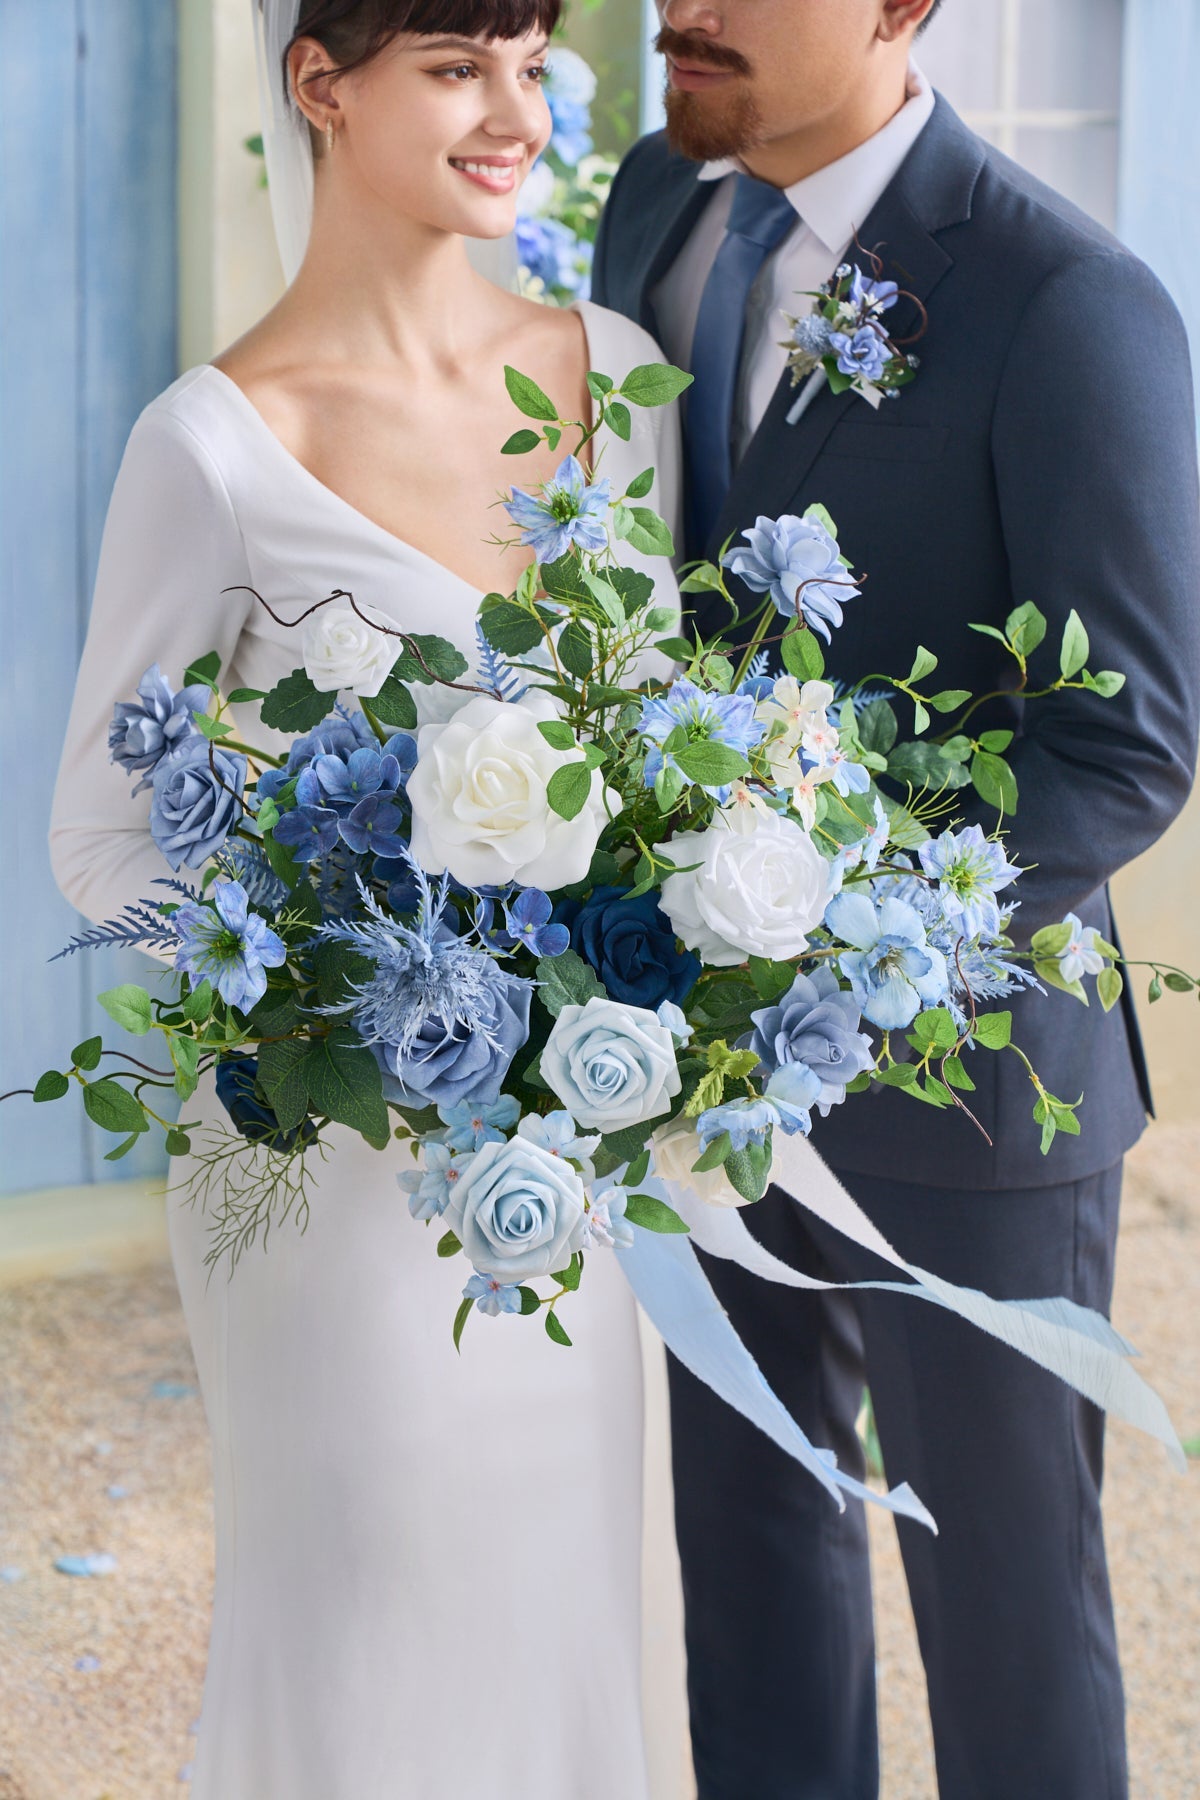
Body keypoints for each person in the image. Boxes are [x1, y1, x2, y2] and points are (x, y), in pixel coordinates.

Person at [48, 3, 683, 1794]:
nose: (514, 114)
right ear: (320, 84)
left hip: (568, 1160)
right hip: (328, 1170)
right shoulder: (216, 443)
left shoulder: (607, 373)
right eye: (456, 65)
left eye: (533, 63)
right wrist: (341, 1009)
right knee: (368, 1617)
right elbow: (99, 837)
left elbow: (656, 748)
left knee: (563, 1596)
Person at [591, 1, 1200, 1796]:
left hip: (976, 1079)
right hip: (698, 1068)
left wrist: (844, 942)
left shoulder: (1068, 302)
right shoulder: (657, 206)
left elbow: (1128, 742)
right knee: (757, 1569)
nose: (677, 8)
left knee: (1008, 1620)